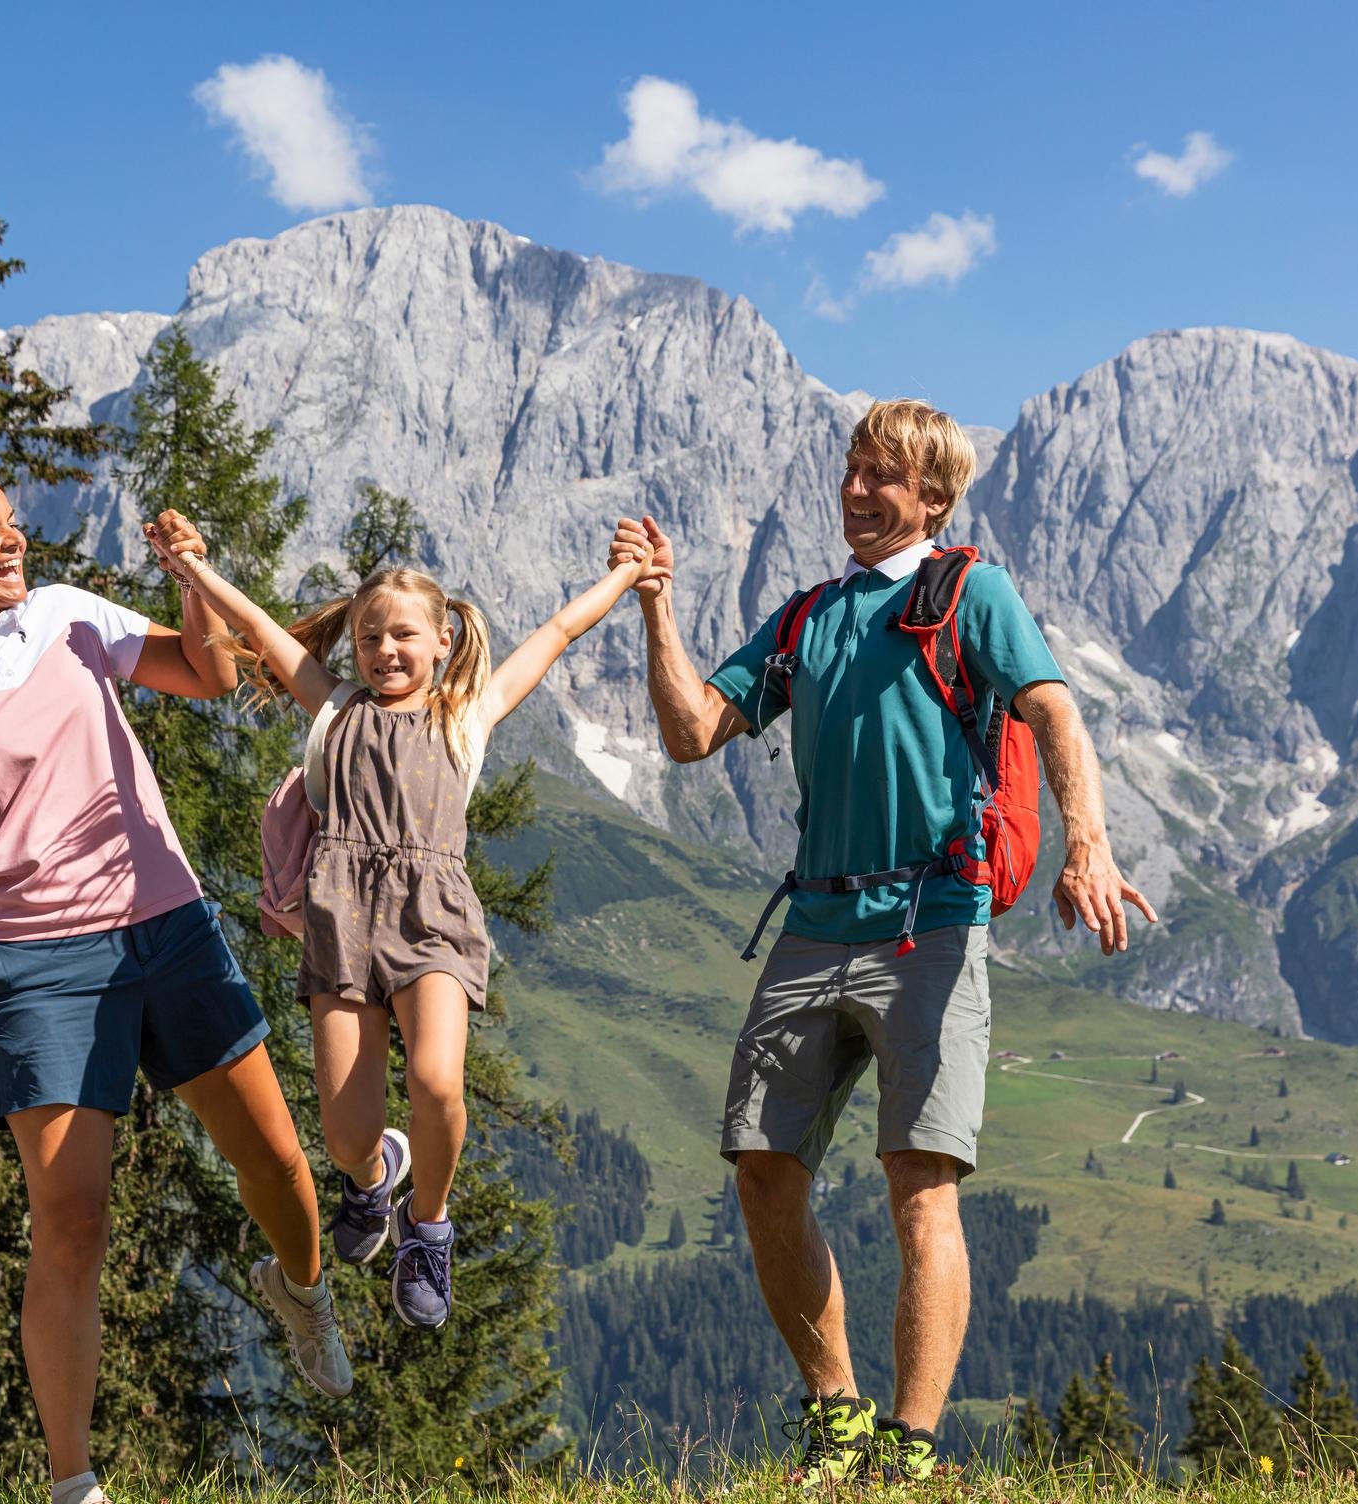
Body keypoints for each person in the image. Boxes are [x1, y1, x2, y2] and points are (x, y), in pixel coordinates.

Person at [611, 400, 1156, 1485]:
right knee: (762, 1169)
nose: (859, 490)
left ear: (934, 499)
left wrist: (1086, 845)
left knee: (921, 1183)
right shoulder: (807, 614)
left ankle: (906, 1451)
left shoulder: (970, 591)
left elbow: (1054, 713)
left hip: (930, 928)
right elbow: (688, 735)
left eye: (885, 477)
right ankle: (837, 1415)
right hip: (812, 923)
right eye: (854, 469)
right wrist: (657, 607)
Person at [0, 471, 350, 1504]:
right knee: (72, 1220)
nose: (14, 541)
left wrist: (191, 579)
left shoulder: (68, 618)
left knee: (278, 1166)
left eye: (12, 524)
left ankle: (300, 1289)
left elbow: (206, 674)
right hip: (35, 964)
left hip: (166, 926)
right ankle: (73, 1484)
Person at [146, 509, 641, 1327]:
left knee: (439, 1080)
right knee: (345, 1138)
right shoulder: (334, 709)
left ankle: (428, 1227)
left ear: (444, 641)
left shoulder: (466, 716)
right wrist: (192, 568)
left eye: (406, 636)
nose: (386, 651)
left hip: (434, 917)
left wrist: (625, 576)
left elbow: (556, 631)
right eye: (371, 637)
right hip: (340, 920)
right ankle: (375, 1178)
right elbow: (262, 630)